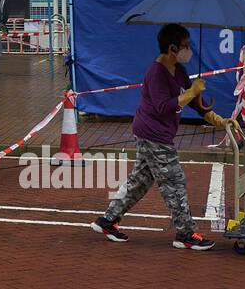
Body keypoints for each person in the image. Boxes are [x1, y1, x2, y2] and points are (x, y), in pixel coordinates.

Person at [91, 23, 229, 251]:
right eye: (185, 46)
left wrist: (219, 120)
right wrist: (192, 91)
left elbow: (195, 104)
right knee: (174, 183)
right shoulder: (156, 73)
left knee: (139, 182)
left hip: (154, 134)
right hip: (153, 135)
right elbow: (164, 107)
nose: (189, 50)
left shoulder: (179, 71)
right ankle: (185, 234)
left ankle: (107, 220)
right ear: (172, 48)